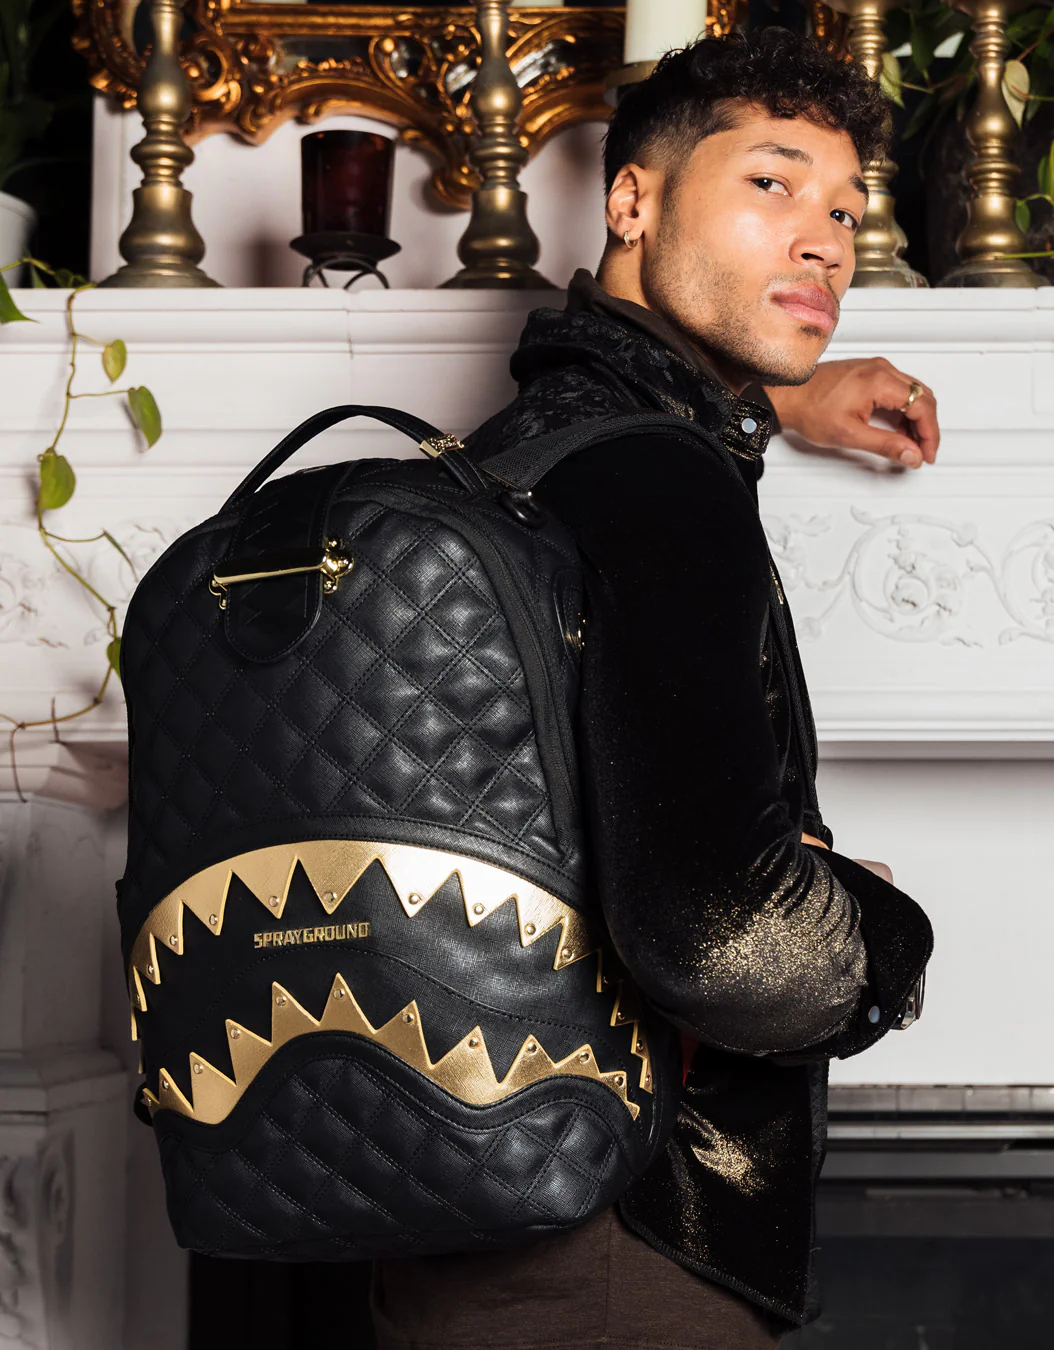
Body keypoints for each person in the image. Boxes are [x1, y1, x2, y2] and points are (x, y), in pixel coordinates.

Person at [370, 28, 933, 1350]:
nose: (826, 241)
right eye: (773, 183)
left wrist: (772, 403)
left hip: (468, 1208)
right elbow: (722, 941)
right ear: (631, 201)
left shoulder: (521, 456)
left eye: (847, 212)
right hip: (626, 1239)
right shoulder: (660, 478)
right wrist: (882, 934)